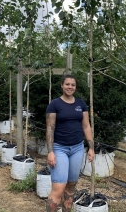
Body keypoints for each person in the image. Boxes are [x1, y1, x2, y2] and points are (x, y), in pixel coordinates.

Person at [45, 74, 94, 212]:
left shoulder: (81, 104)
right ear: (62, 85)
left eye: (73, 85)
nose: (70, 87)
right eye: (67, 84)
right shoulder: (55, 104)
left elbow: (86, 126)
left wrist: (90, 148)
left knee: (71, 186)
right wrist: (50, 152)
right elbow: (50, 129)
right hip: (60, 149)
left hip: (77, 149)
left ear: (75, 87)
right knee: (58, 189)